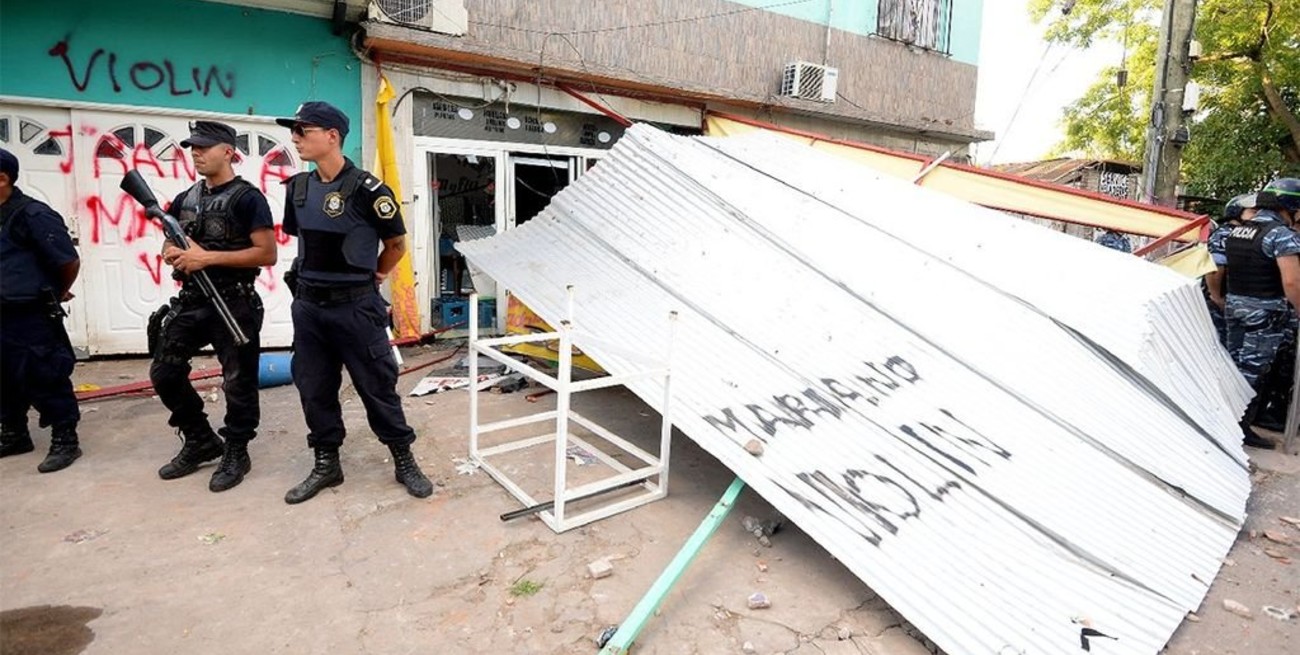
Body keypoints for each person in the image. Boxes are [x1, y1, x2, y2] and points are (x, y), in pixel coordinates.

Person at [276, 101, 433, 504]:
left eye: (303, 130)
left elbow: (396, 244)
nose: (295, 138)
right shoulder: (298, 188)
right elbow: (302, 240)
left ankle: (403, 458)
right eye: (293, 130)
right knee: (314, 387)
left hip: (356, 308)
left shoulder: (369, 190)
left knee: (377, 386)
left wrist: (376, 276)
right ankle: (327, 463)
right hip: (310, 309)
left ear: (332, 136)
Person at [150, 121, 276, 491]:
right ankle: (201, 439)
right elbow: (168, 244)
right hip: (192, 300)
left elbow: (266, 253)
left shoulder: (247, 198)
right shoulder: (186, 197)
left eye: (204, 147)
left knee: (238, 381)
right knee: (165, 372)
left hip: (233, 301)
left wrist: (207, 258)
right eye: (193, 147)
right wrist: (172, 253)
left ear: (228, 151)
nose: (196, 153)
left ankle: (237, 449)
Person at [0, 147, 83, 472]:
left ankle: (65, 438)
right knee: (4, 377)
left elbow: (67, 261)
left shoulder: (33, 215)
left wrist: (56, 292)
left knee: (45, 373)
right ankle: (14, 433)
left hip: (30, 313)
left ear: (3, 179)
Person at [1224, 177, 1300, 449]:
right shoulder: (1280, 235)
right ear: (1290, 207)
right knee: (1252, 374)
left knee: (1233, 367)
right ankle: (1236, 431)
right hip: (1263, 314)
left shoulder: (1240, 230)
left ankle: (1226, 425)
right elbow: (1292, 282)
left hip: (1235, 308)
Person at [1205, 194, 1255, 346]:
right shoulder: (1224, 234)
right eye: (1252, 212)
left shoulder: (1248, 233)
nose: (1257, 216)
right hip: (1221, 302)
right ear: (1237, 212)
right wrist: (1216, 297)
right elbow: (1215, 267)